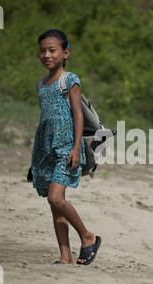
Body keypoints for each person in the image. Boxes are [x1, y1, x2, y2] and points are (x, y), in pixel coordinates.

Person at [31, 29, 101, 265]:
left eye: (52, 50)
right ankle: (65, 256)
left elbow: (78, 114)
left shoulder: (69, 79)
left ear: (65, 52)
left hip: (67, 149)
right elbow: (45, 119)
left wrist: (75, 148)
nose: (47, 55)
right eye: (42, 51)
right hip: (46, 150)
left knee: (55, 198)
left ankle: (88, 236)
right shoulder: (41, 84)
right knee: (54, 205)